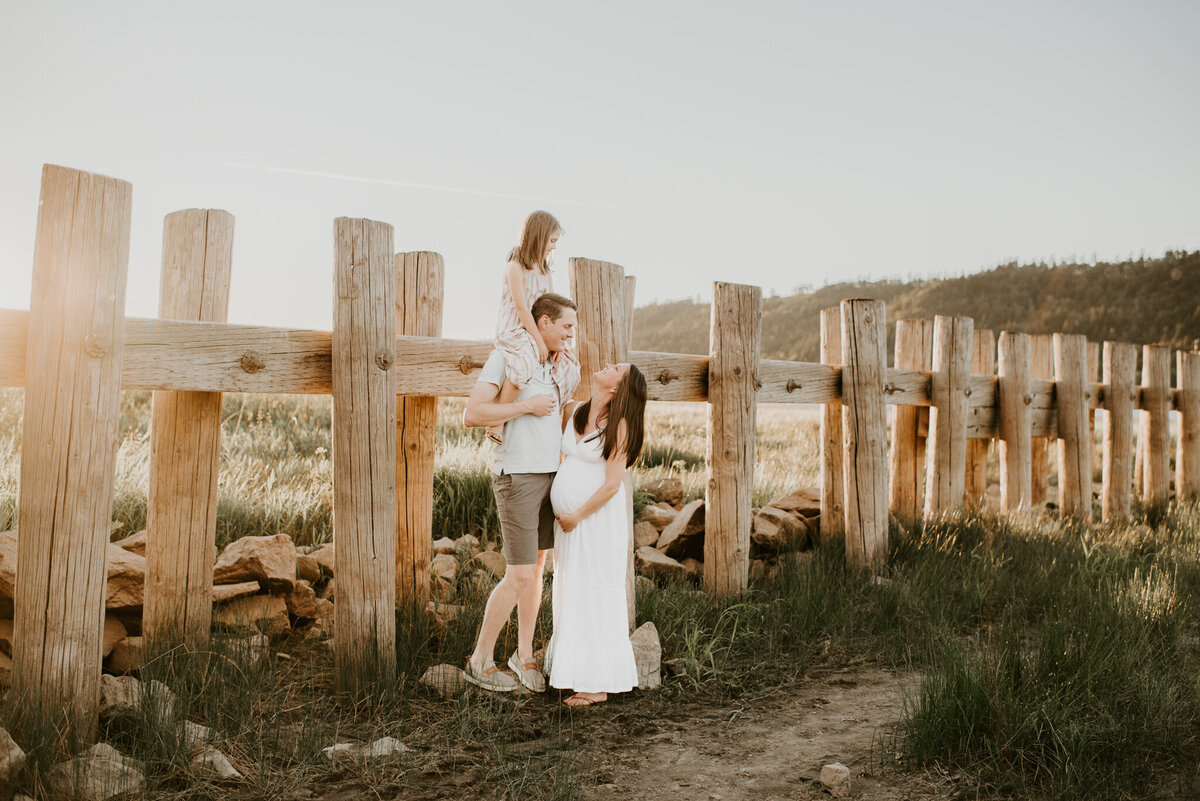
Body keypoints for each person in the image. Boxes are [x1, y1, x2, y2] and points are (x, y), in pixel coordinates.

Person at [461, 292, 581, 692]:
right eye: (565, 325)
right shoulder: (508, 357)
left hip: (551, 476)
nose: (570, 333)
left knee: (537, 571)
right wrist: (524, 409)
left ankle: (524, 655)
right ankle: (479, 660)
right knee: (518, 575)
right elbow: (473, 414)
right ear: (543, 322)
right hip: (517, 476)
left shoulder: (556, 368)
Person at [544, 362, 647, 706]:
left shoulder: (620, 426)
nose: (608, 364)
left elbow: (612, 485)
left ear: (618, 388)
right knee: (572, 587)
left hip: (595, 521)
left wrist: (576, 515)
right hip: (570, 523)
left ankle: (598, 684)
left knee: (595, 590)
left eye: (616, 368)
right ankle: (576, 673)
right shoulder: (576, 410)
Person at [486, 210, 580, 445]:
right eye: (552, 241)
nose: (554, 247)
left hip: (538, 329)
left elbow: (547, 304)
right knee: (524, 361)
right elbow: (521, 308)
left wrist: (554, 341)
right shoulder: (515, 267)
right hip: (516, 329)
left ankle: (556, 417)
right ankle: (498, 418)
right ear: (539, 236)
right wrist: (539, 341)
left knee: (571, 365)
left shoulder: (545, 270)